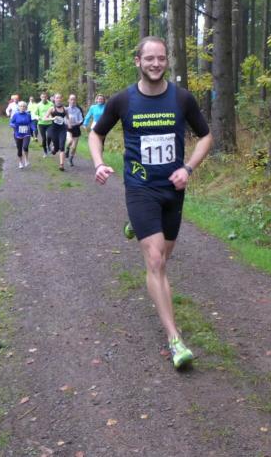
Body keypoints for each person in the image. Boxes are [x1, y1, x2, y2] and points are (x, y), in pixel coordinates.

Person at [90, 36, 213, 369]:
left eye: (161, 58)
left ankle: (137, 224)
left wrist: (188, 168)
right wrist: (98, 163)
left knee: (164, 258)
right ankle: (175, 339)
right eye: (149, 59)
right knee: (155, 261)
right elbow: (96, 133)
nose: (156, 64)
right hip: (140, 187)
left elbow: (206, 136)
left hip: (173, 189)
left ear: (166, 61)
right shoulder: (123, 100)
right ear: (138, 62)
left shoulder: (182, 99)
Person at [45, 93, 68, 171]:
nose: (58, 99)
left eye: (60, 98)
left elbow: (68, 118)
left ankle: (61, 165)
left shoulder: (65, 109)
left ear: (61, 99)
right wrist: (53, 118)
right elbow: (45, 118)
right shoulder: (52, 109)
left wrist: (69, 125)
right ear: (54, 99)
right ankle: (54, 149)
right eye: (57, 98)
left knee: (62, 146)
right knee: (57, 147)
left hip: (62, 129)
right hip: (54, 130)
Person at [9, 100, 34, 169]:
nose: (22, 107)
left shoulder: (28, 115)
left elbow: (31, 122)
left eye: (24, 106)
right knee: (19, 149)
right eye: (21, 106)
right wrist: (13, 125)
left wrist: (33, 128)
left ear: (26, 107)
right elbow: (11, 123)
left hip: (26, 133)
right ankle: (20, 162)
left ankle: (26, 159)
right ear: (18, 107)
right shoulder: (15, 115)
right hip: (18, 134)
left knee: (25, 147)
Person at [65, 94, 85, 167]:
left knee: (74, 147)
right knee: (70, 141)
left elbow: (81, 119)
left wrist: (79, 123)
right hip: (68, 127)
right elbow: (63, 118)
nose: (73, 101)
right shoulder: (66, 109)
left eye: (74, 99)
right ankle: (67, 148)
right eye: (71, 99)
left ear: (76, 100)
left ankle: (70, 159)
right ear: (68, 100)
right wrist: (68, 123)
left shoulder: (78, 109)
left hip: (76, 128)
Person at [33, 92, 53, 156]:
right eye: (42, 97)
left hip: (49, 123)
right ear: (40, 97)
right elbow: (34, 114)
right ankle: (45, 152)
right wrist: (37, 117)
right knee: (44, 138)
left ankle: (48, 145)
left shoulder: (51, 104)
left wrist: (52, 117)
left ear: (47, 97)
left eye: (45, 97)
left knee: (49, 136)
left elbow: (53, 112)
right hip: (41, 123)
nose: (44, 98)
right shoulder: (38, 105)